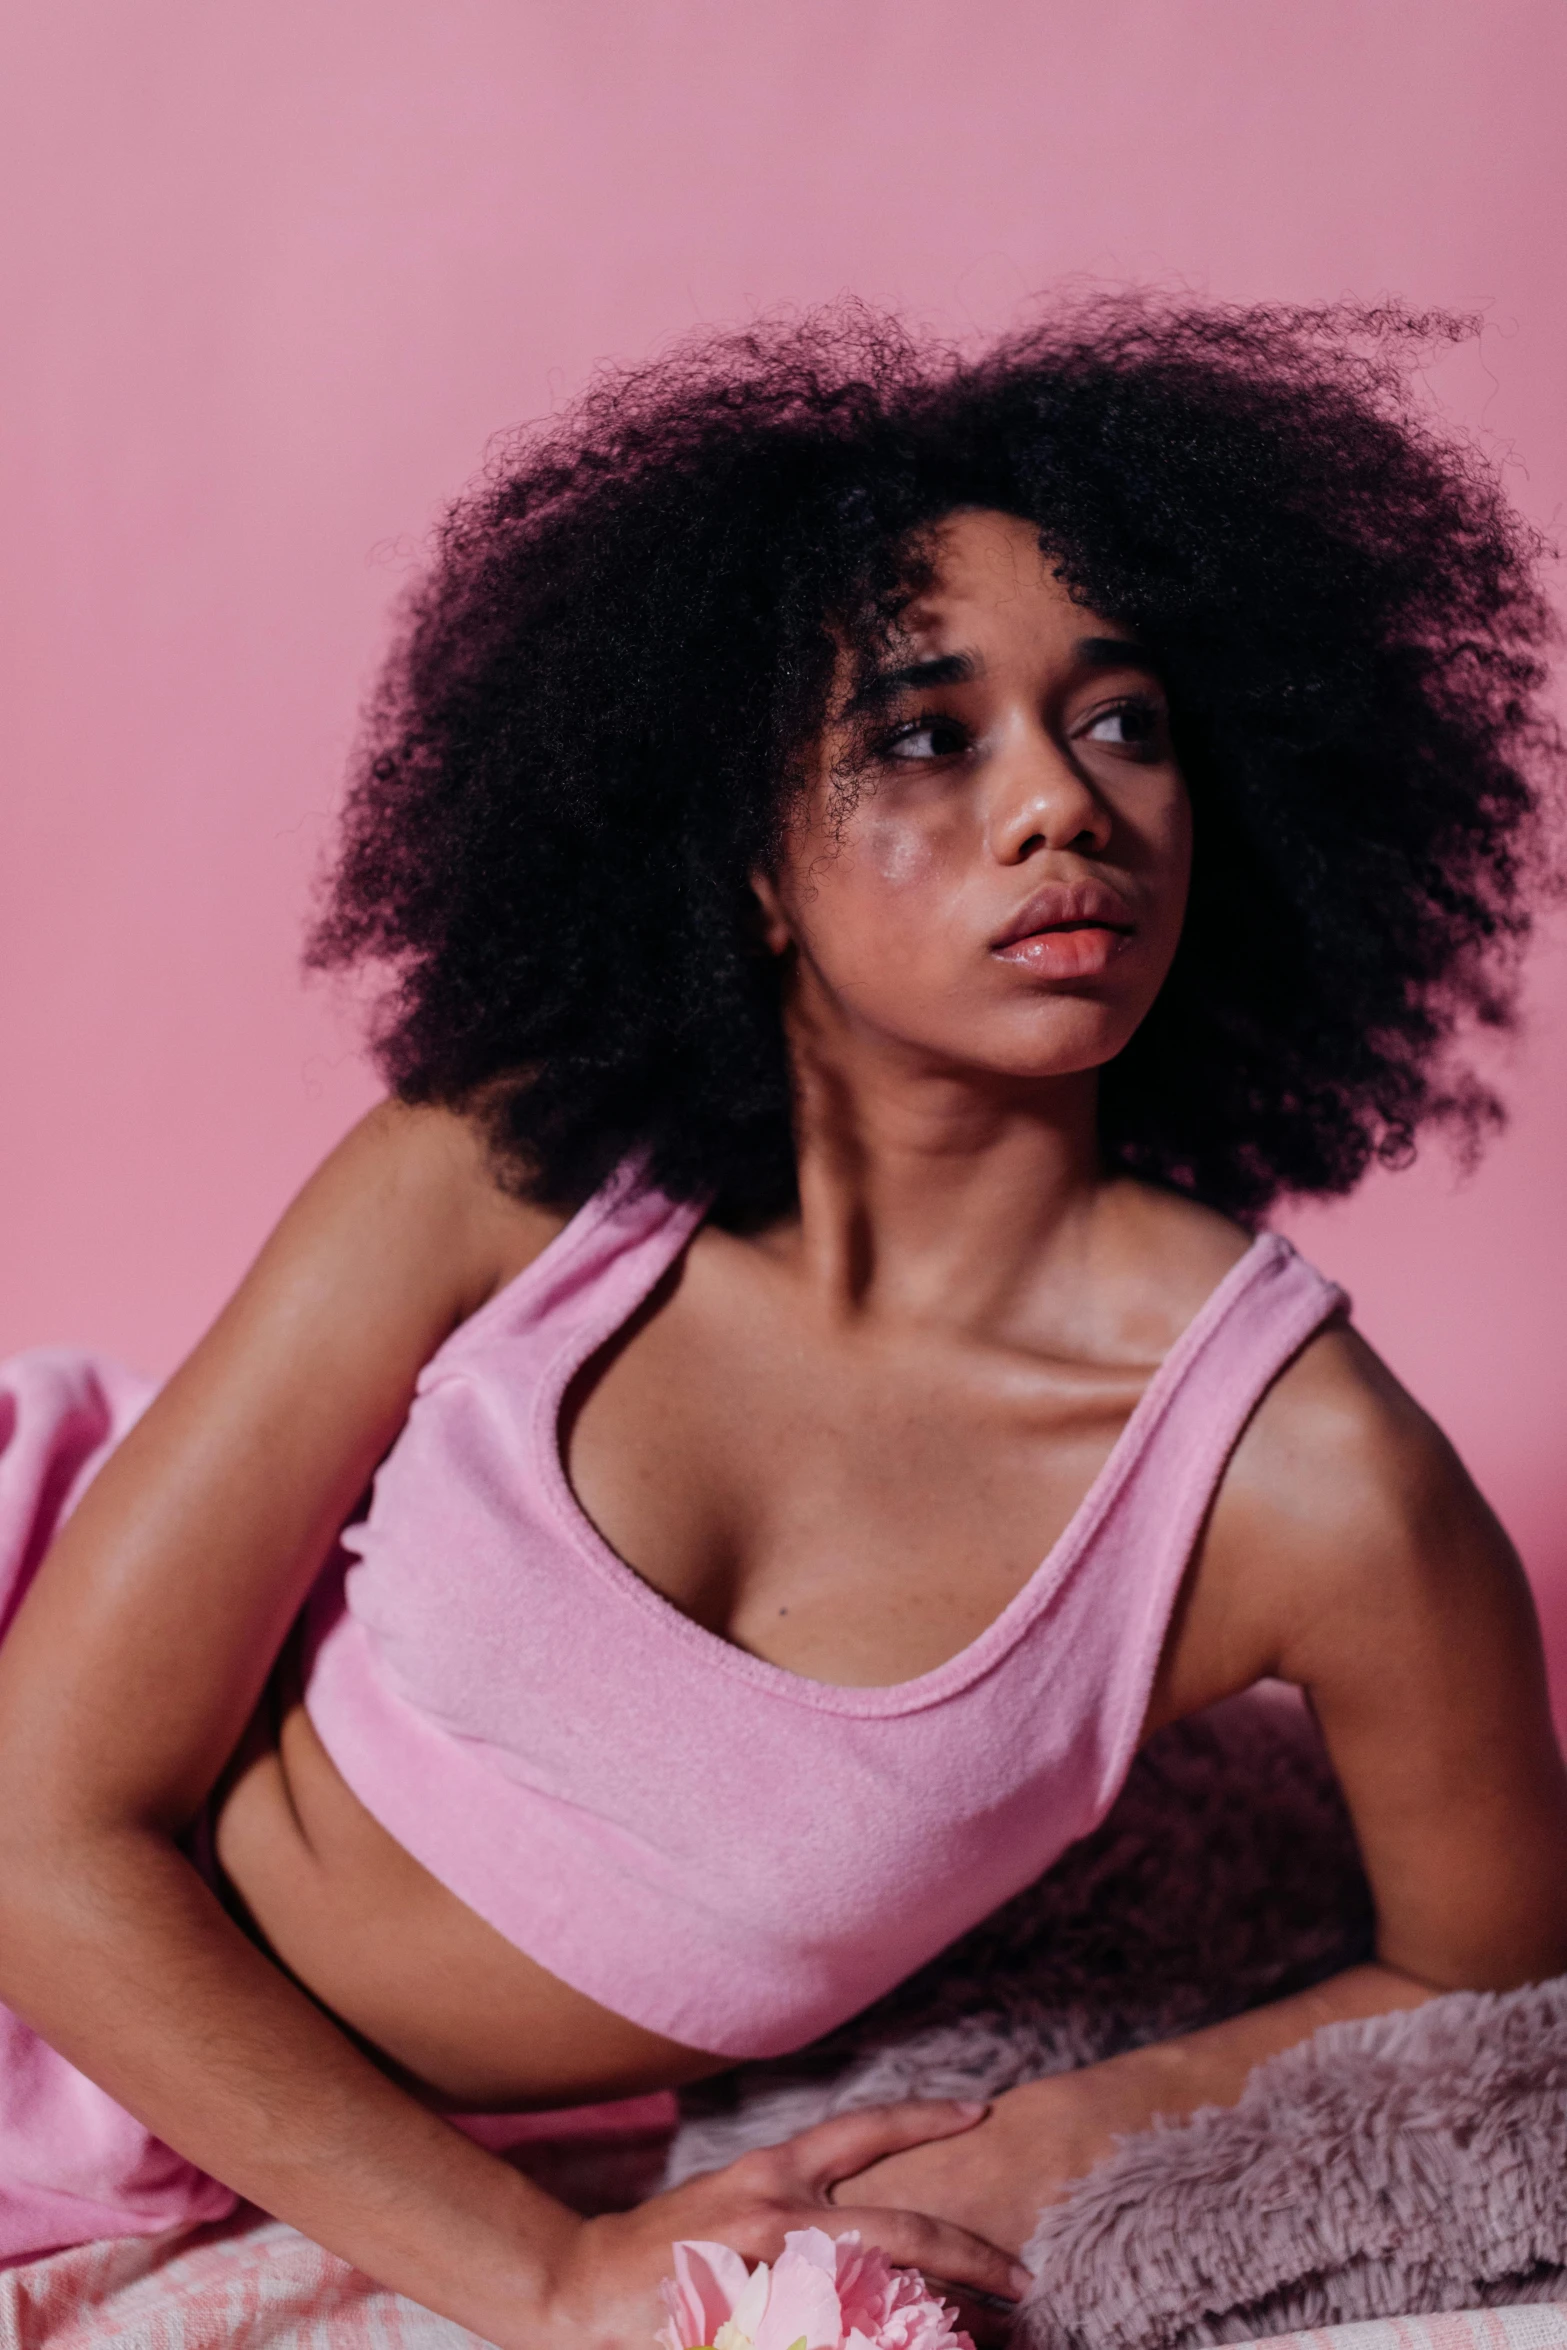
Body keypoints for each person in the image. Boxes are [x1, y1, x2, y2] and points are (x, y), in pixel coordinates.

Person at [1, 298, 1564, 2350]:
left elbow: (1493, 1995)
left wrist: (1058, 2122)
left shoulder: (1314, 1484)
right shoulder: (504, 1179)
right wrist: (539, 2269)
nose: (1062, 805)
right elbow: (36, 1819)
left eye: (1126, 721)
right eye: (929, 734)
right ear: (746, 865)